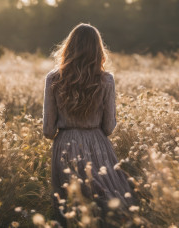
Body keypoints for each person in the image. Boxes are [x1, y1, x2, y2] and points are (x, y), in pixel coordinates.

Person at [43, 23, 135, 227]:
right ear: (98, 49)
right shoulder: (106, 80)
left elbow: (48, 131)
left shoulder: (53, 78)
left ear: (69, 47)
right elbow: (109, 127)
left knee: (70, 207)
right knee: (106, 204)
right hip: (97, 144)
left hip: (64, 146)